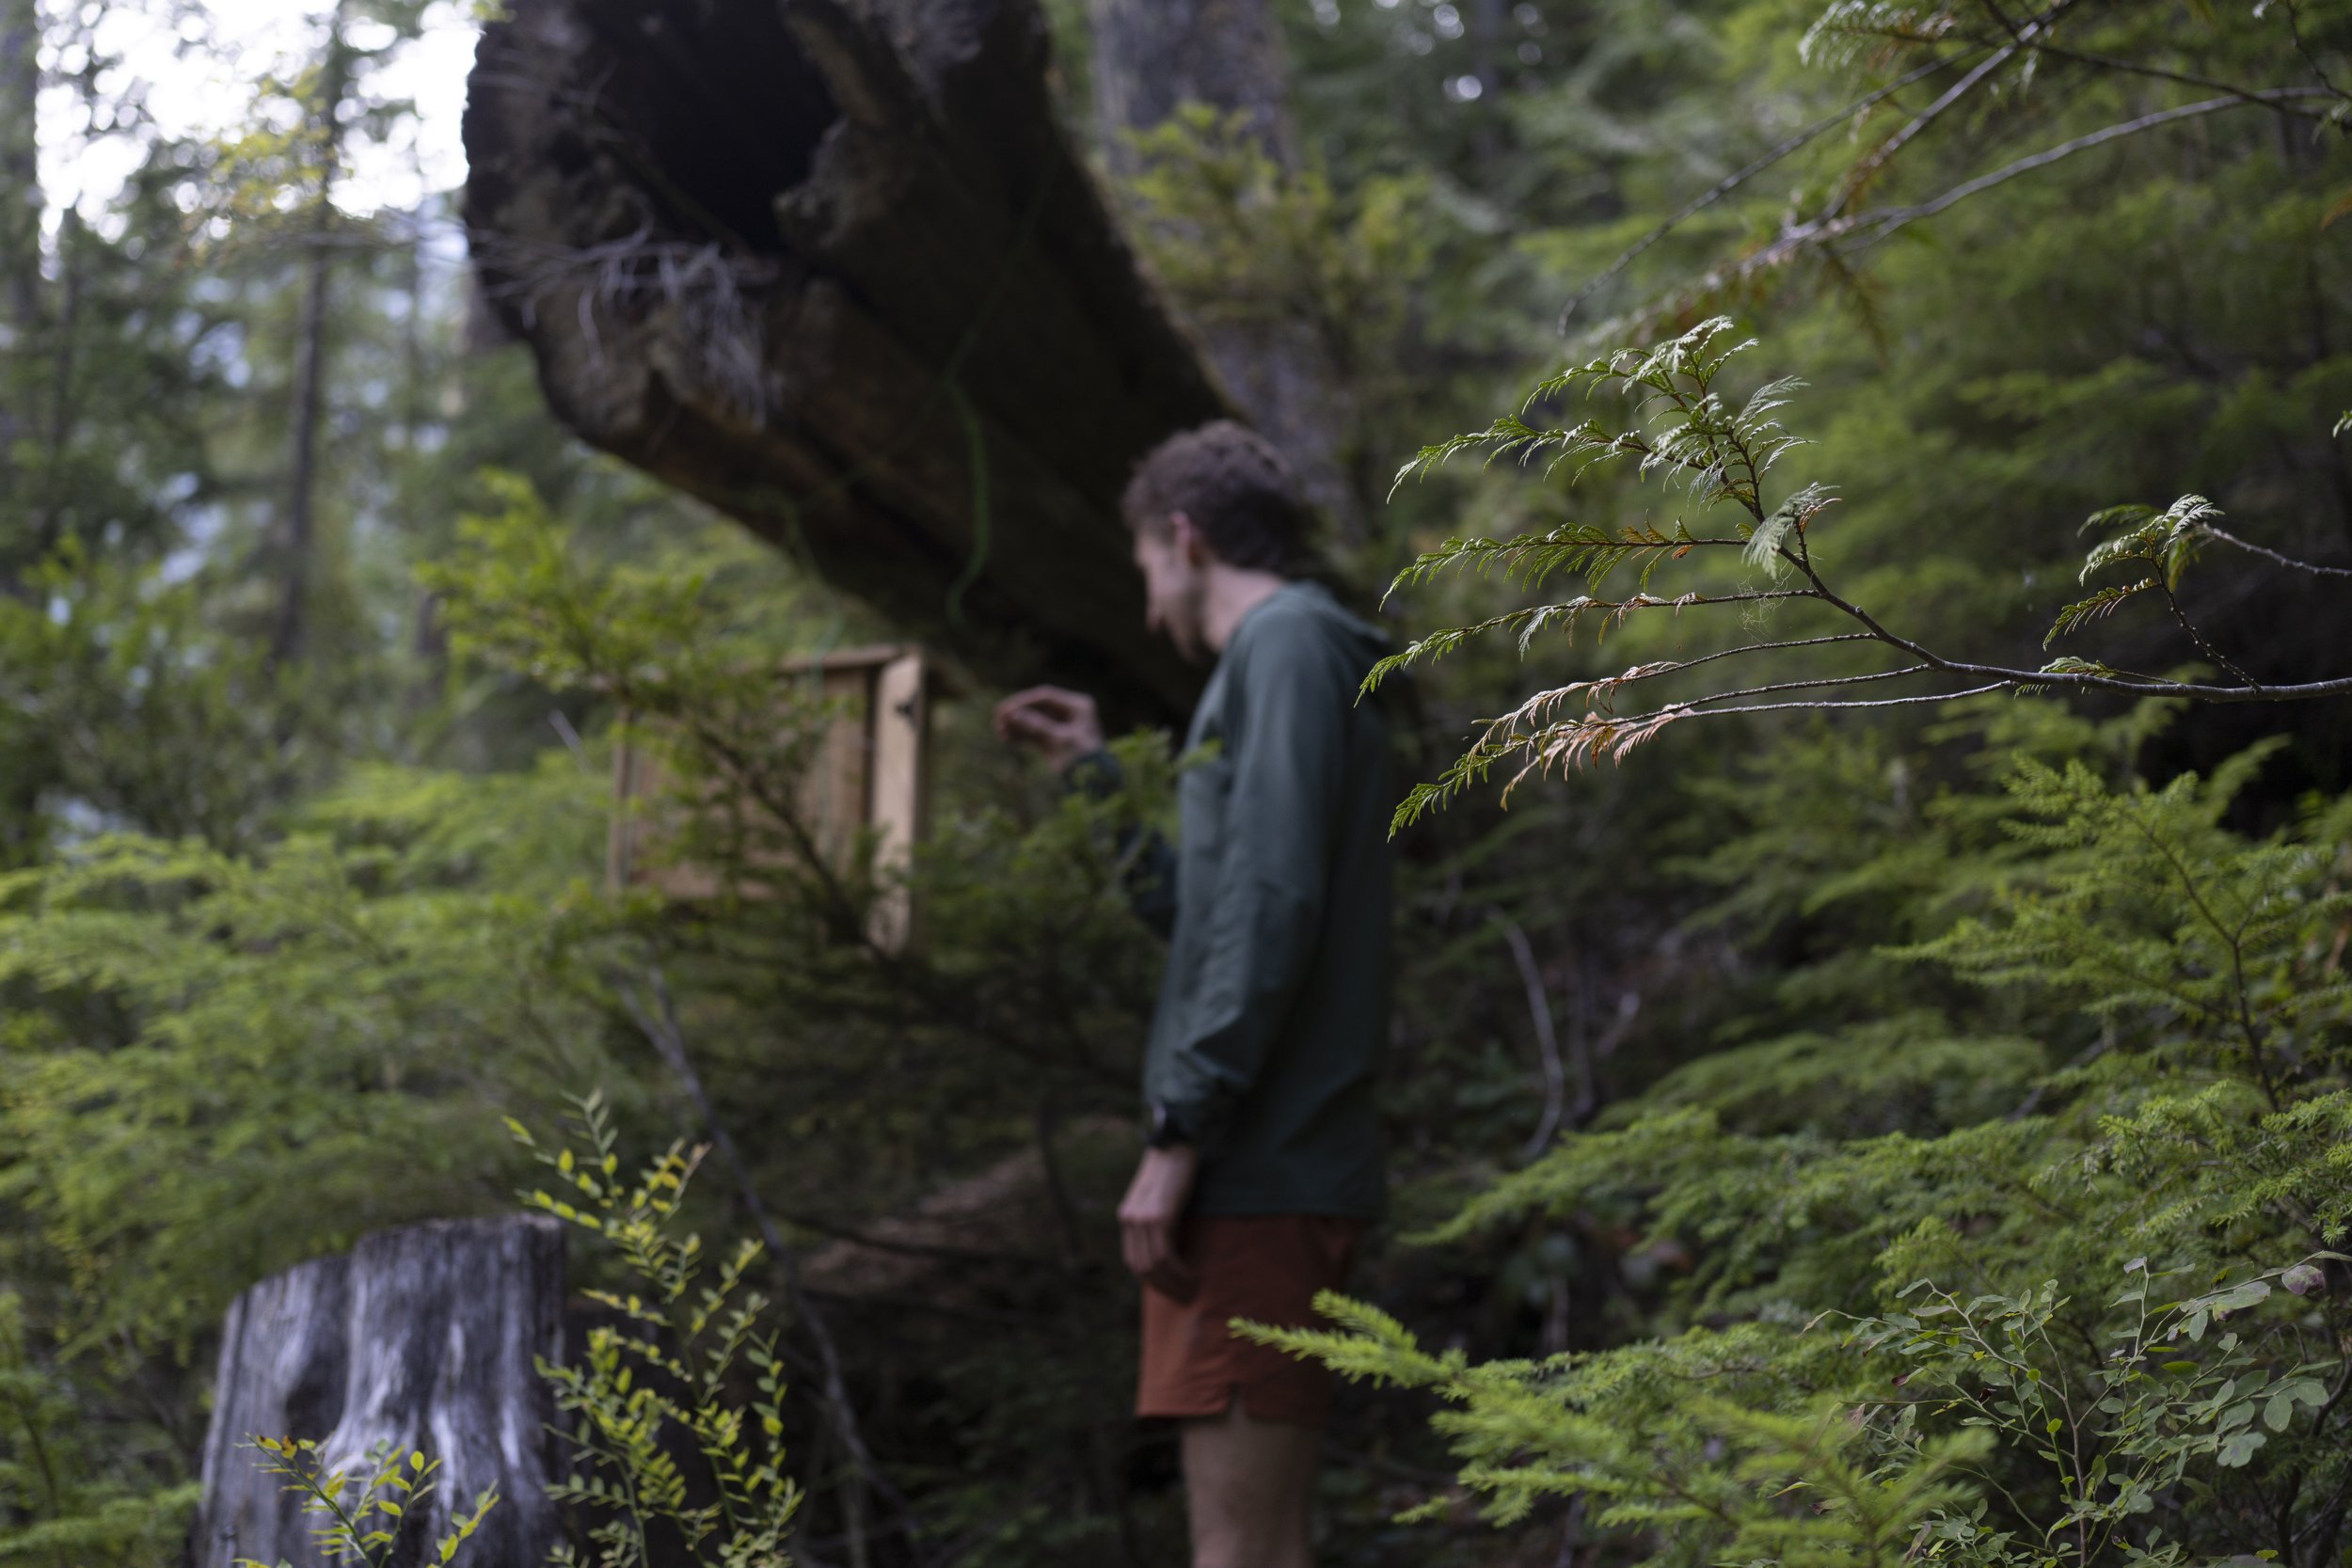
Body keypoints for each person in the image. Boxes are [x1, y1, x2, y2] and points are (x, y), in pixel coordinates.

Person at [993, 421, 1393, 1568]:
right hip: (1255, 1164)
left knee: (1242, 1550)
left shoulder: (1284, 644)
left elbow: (1272, 903)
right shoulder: (1280, 662)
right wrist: (1092, 775)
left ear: (1183, 538)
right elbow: (1211, 915)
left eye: (1141, 567)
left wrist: (1180, 1128)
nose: (1145, 598)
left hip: (1258, 1165)